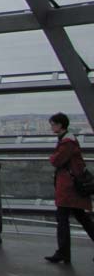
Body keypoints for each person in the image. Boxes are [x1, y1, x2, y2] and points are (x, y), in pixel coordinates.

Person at [46, 112, 94, 263]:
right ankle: (63, 252)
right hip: (72, 187)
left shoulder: (66, 142)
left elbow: (56, 160)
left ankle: (63, 252)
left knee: (63, 220)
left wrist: (52, 157)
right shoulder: (69, 140)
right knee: (82, 218)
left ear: (60, 125)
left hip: (68, 188)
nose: (51, 127)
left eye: (53, 124)